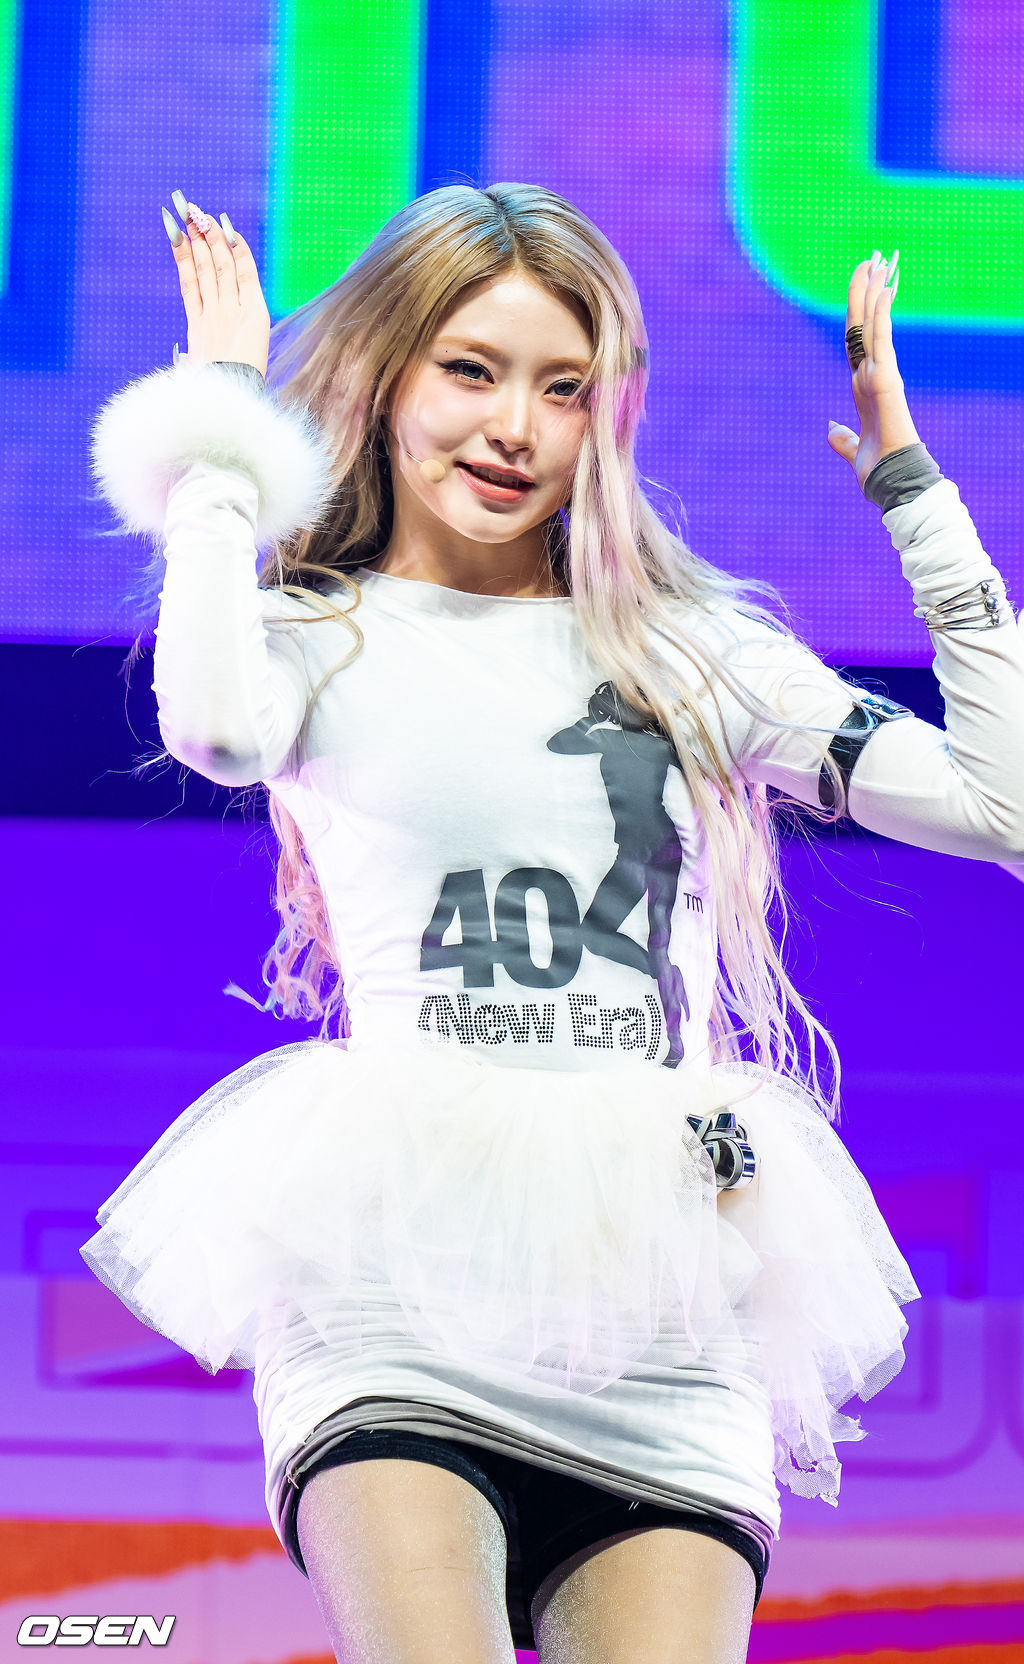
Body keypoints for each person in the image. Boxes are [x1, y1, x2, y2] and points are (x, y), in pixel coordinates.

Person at [82, 183, 1024, 1664]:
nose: (514, 427)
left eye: (563, 388)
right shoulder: (317, 635)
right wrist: (217, 428)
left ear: (608, 415)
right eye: (471, 371)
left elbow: (1005, 808)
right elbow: (210, 728)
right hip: (397, 1288)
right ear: (387, 378)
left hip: (664, 1311)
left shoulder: (690, 651)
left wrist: (915, 494)